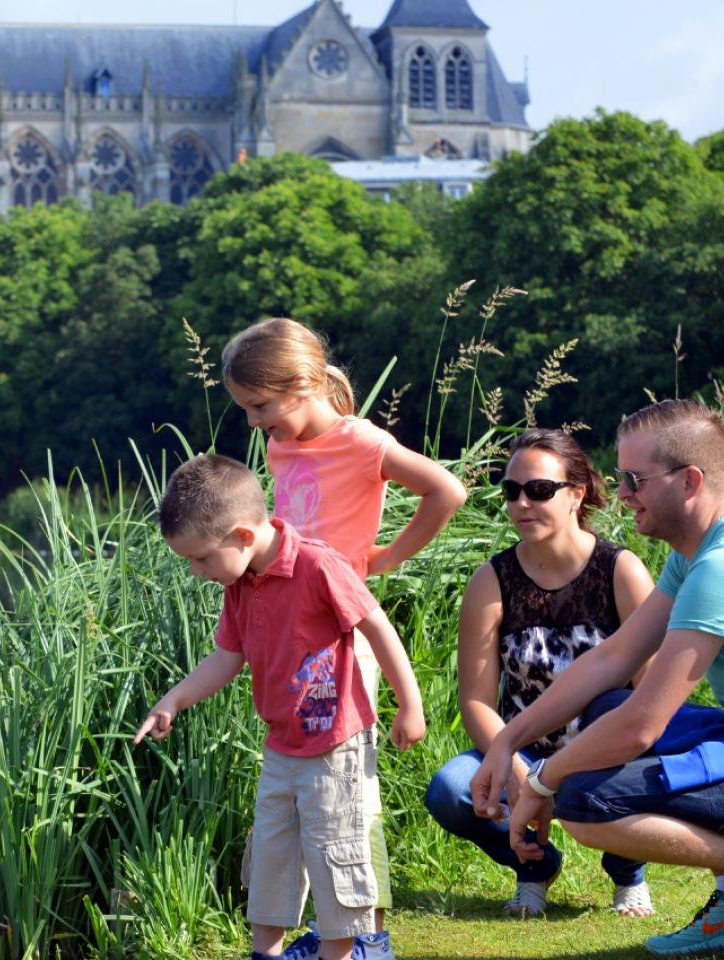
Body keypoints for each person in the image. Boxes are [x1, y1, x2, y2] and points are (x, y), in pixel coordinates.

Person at [472, 400, 724, 960]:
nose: (619, 494)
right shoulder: (702, 550)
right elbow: (610, 661)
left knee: (583, 802)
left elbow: (643, 724)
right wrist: (508, 739)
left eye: (634, 480)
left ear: (690, 481)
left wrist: (542, 783)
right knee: (602, 709)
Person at [222, 317, 468, 958]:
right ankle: (338, 930)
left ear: (301, 385)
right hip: (291, 631)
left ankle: (366, 938)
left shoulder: (362, 441)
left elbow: (448, 490)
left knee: (349, 796)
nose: (253, 422)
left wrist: (389, 556)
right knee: (309, 800)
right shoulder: (281, 443)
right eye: (246, 408)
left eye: (259, 406)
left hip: (343, 632)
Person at [136, 453, 427, 960]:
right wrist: (174, 700)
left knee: (337, 856)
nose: (195, 570)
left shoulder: (317, 564)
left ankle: (339, 954)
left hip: (336, 744)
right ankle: (264, 954)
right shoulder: (239, 585)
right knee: (270, 857)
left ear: (244, 535)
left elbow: (377, 626)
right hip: (281, 748)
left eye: (201, 557)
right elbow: (227, 658)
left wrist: (410, 704)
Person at [422, 428, 658, 918]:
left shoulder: (621, 571)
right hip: (525, 746)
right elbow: (476, 702)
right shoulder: (492, 581)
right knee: (449, 789)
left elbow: (652, 692)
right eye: (512, 491)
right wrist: (514, 766)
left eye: (539, 490)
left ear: (576, 494)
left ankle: (628, 870)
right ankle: (534, 865)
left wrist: (572, 768)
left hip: (605, 748)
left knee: (630, 740)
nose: (522, 503)